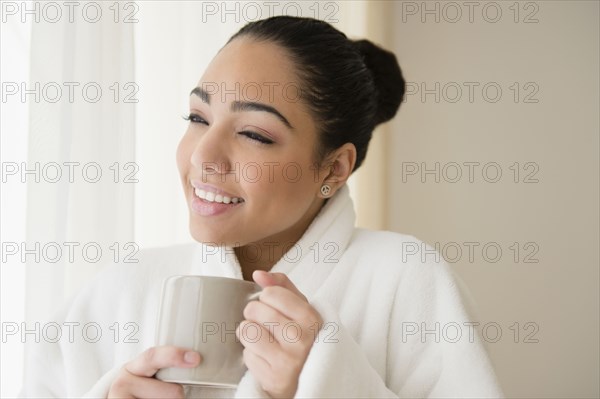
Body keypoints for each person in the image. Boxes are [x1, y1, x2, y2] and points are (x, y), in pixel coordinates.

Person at [20, 16, 503, 398]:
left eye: (253, 133)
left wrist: (322, 385)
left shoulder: (404, 278)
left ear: (334, 168)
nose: (203, 157)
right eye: (197, 117)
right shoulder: (120, 290)